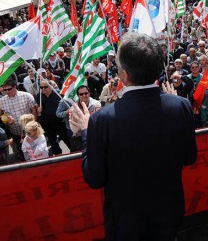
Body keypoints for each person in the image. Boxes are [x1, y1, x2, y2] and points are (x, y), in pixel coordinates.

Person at [69, 32, 197, 240]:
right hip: (169, 213)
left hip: (126, 223)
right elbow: (189, 157)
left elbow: (94, 177)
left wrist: (86, 132)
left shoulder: (101, 120)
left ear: (124, 74)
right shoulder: (181, 105)